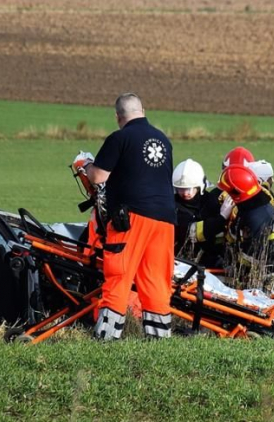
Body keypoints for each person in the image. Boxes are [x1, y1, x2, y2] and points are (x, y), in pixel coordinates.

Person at [73, 93, 176, 340]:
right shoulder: (163, 140)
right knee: (156, 281)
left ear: (118, 117)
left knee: (119, 274)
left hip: (131, 218)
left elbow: (98, 177)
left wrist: (84, 164)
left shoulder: (120, 138)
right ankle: (160, 339)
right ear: (143, 110)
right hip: (165, 220)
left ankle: (107, 337)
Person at [217, 164, 274, 286]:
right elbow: (235, 235)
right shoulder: (250, 205)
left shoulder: (259, 216)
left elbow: (252, 253)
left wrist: (235, 267)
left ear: (237, 192)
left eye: (229, 192)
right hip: (266, 274)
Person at [171, 158, 226, 269]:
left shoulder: (211, 201)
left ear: (200, 186)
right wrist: (222, 217)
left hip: (213, 262)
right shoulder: (173, 206)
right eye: (181, 189)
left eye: (189, 188)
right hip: (182, 262)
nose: (185, 193)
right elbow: (190, 232)